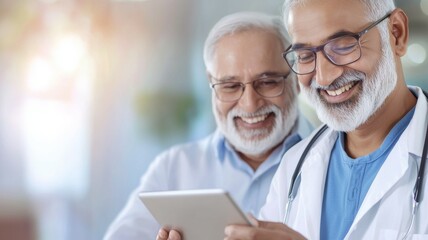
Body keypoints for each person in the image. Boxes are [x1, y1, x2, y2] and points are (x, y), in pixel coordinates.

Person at [158, 0, 428, 239]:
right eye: (304, 56)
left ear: (397, 33)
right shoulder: (295, 165)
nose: (323, 76)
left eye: (344, 44)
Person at [104, 11, 313, 240]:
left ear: (296, 78)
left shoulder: (334, 160)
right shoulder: (174, 169)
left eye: (267, 82)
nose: (250, 104)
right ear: (210, 83)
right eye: (231, 86)